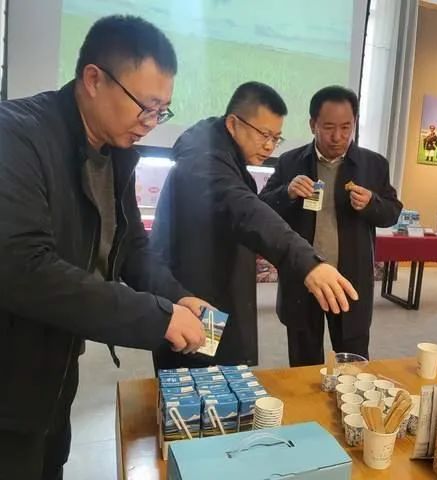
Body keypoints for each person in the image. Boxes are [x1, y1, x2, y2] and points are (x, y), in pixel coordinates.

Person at [0, 16, 209, 480]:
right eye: (146, 107)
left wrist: (178, 298)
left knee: (49, 460)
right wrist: (156, 316)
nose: (151, 124)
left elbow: (131, 246)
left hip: (56, 366)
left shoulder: (116, 153)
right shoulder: (15, 135)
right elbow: (24, 268)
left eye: (162, 111)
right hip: (9, 372)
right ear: (94, 79)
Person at [150, 82, 358, 370]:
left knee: (223, 375)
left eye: (276, 138)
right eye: (264, 134)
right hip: (197, 298)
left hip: (215, 292)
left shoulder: (224, 156)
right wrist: (307, 261)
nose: (270, 146)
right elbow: (246, 210)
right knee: (202, 380)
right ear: (233, 124)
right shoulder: (204, 162)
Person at [259, 86, 402, 366]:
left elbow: (392, 213)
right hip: (304, 277)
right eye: (328, 127)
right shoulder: (290, 162)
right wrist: (287, 193)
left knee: (354, 363)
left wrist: (372, 203)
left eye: (346, 127)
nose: (338, 137)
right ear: (312, 124)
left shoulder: (373, 165)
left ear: (354, 123)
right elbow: (263, 208)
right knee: (303, 362)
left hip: (350, 280)